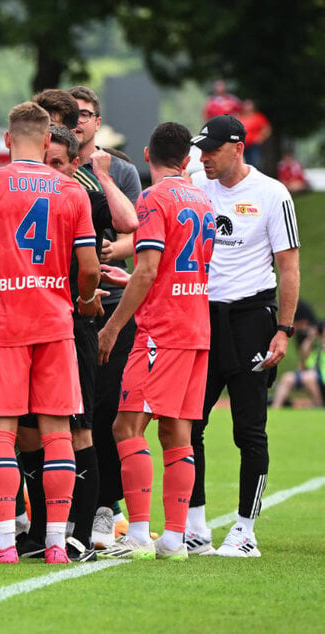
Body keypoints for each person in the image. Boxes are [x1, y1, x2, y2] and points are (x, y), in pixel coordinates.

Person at [0, 101, 101, 565]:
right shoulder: (71, 190)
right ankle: (56, 542)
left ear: (9, 140)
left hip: (5, 322)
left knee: (1, 430)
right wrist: (77, 297)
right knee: (58, 432)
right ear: (48, 141)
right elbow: (91, 268)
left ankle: (3, 543)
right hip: (55, 323)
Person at [94, 122, 215, 561]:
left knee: (126, 427)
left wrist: (112, 327)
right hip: (196, 327)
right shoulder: (202, 200)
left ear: (147, 155)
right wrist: (141, 278)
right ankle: (174, 539)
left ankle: (139, 535)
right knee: (178, 432)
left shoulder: (152, 197)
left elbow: (148, 270)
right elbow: (180, 268)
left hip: (160, 331)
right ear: (189, 160)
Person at [187, 114, 301, 557]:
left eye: (213, 149)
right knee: (189, 423)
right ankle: (195, 526)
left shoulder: (272, 193)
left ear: (238, 147)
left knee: (249, 430)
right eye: (201, 149)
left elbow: (288, 268)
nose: (204, 157)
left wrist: (283, 330)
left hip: (253, 317)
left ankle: (244, 530)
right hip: (202, 318)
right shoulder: (197, 186)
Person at [66, 85, 145, 549]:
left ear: (98, 122)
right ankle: (42, 511)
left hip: (112, 304)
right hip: (63, 304)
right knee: (64, 413)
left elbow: (143, 228)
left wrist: (118, 248)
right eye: (72, 114)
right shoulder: (54, 171)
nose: (79, 121)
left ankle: (102, 509)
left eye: (87, 114)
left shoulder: (122, 170)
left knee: (108, 411)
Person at [237, 100, 272, 168]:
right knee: (242, 165)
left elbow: (267, 129)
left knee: (254, 163)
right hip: (241, 145)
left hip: (253, 145)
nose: (247, 107)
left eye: (249, 105)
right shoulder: (240, 117)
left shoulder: (258, 117)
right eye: (246, 105)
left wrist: (261, 138)